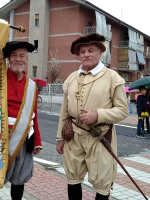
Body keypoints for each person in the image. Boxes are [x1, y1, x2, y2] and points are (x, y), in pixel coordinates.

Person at [55, 33, 128, 200]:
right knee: (72, 177)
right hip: (73, 135)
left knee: (102, 182)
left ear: (100, 52)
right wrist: (60, 137)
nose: (86, 54)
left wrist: (98, 115)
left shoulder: (112, 77)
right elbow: (65, 112)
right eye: (82, 51)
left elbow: (123, 110)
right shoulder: (72, 78)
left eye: (91, 50)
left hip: (100, 136)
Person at [0, 41, 43, 200]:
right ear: (8, 59)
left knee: (20, 180)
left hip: (23, 139)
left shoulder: (32, 86)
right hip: (0, 139)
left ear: (26, 59)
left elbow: (34, 115)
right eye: (14, 55)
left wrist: (37, 140)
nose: (18, 59)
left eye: (22, 56)